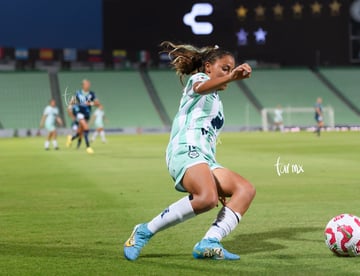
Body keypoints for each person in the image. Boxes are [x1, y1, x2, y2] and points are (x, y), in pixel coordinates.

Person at [123, 42, 256, 261]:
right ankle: (144, 231)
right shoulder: (199, 80)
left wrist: (210, 172)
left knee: (245, 189)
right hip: (185, 150)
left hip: (205, 158)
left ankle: (209, 241)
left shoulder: (216, 101)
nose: (229, 72)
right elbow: (200, 88)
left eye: (231, 69)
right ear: (207, 68)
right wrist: (232, 78)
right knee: (207, 198)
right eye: (225, 68)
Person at [66, 79, 98, 154]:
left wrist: (91, 103)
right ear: (83, 85)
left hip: (87, 114)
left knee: (80, 132)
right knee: (86, 128)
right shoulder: (78, 93)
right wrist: (70, 110)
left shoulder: (92, 94)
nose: (88, 85)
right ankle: (88, 147)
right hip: (79, 113)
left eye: (89, 84)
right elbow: (71, 102)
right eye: (86, 84)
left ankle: (71, 138)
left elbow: (97, 104)